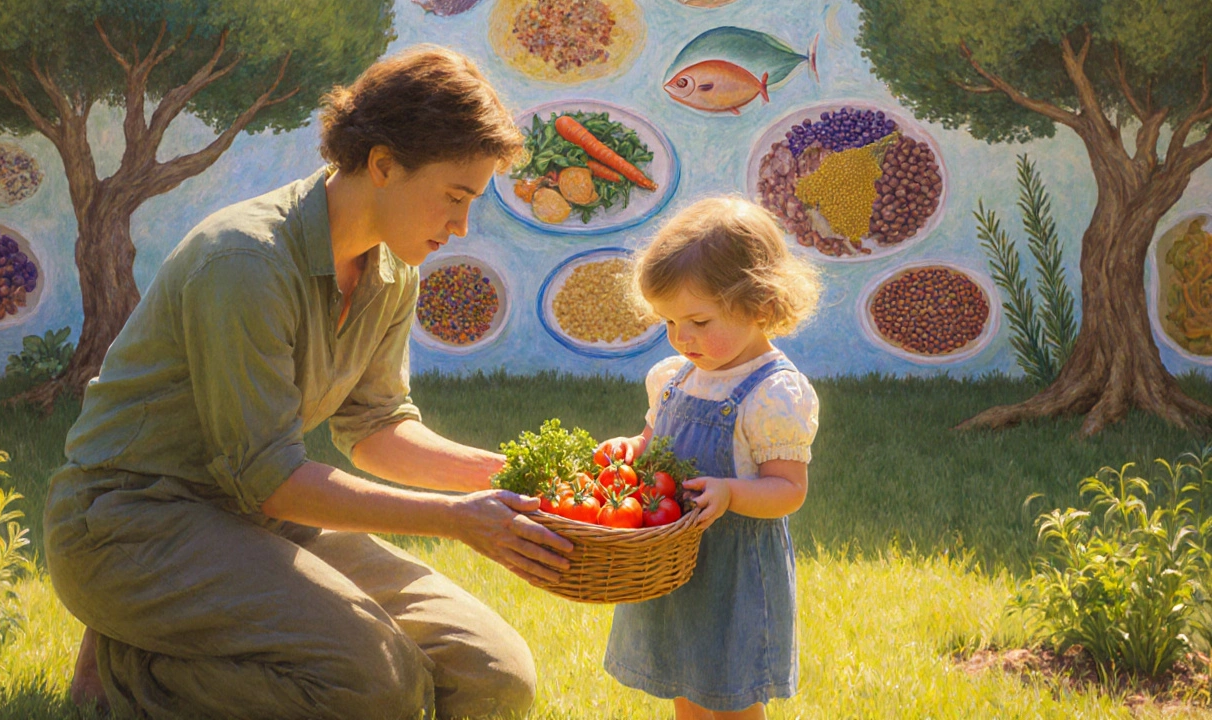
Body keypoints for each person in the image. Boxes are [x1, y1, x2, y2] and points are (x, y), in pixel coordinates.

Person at [43, 45, 574, 720]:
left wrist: (509, 478)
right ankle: (133, 668)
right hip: (128, 529)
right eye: (454, 196)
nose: (461, 226)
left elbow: (376, 428)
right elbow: (266, 476)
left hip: (254, 521)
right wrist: (454, 521)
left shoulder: (392, 270)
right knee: (377, 687)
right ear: (382, 164)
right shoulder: (243, 261)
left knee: (496, 674)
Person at [596, 196, 821, 720]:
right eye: (670, 323)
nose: (682, 337)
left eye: (698, 320)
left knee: (733, 694)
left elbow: (789, 490)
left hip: (733, 572)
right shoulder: (675, 375)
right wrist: (630, 449)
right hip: (670, 563)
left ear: (760, 305)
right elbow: (654, 444)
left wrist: (732, 492)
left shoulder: (773, 394)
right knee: (685, 681)